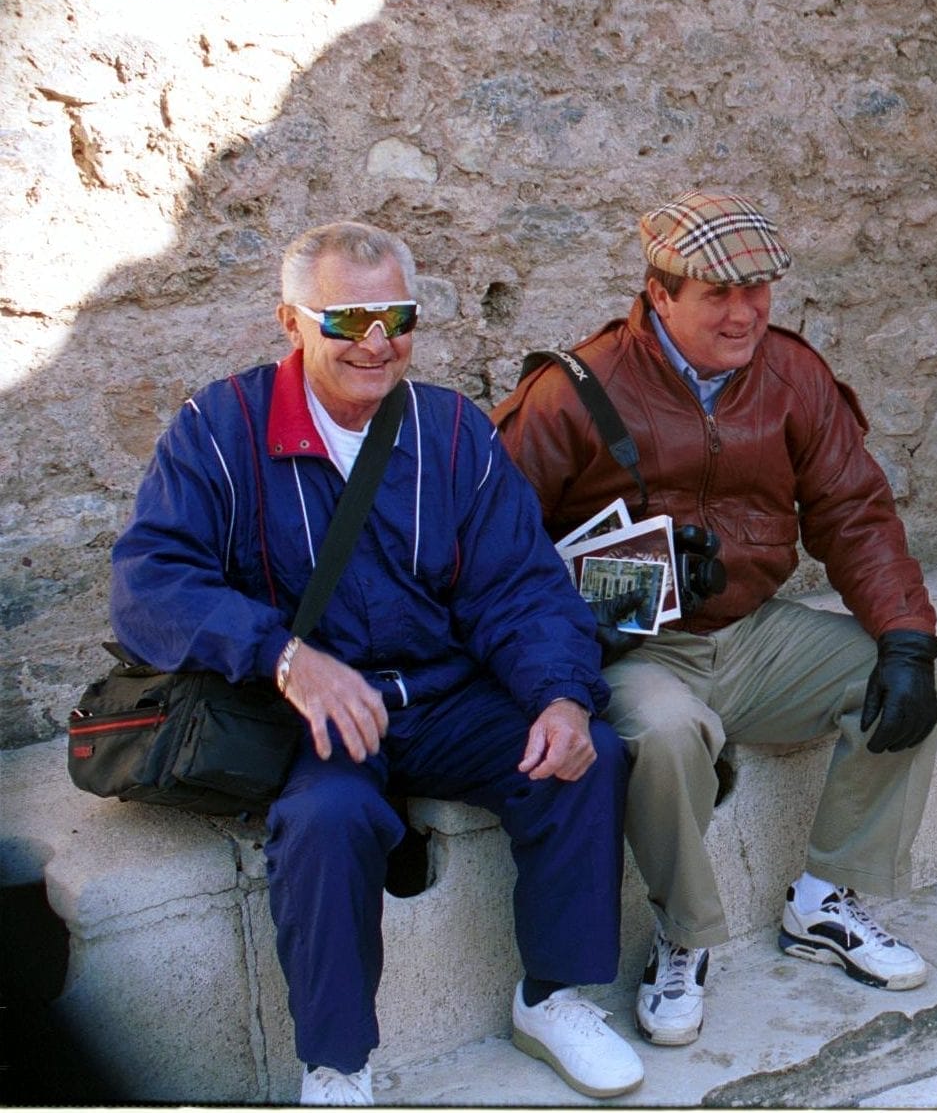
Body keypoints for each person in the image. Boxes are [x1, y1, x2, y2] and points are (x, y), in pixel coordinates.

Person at [109, 222, 645, 1106]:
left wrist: (560, 694)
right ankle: (337, 1063)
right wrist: (281, 656)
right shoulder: (220, 429)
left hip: (438, 695)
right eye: (346, 318)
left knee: (585, 757)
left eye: (395, 316)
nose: (375, 341)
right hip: (316, 712)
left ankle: (553, 998)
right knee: (326, 822)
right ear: (291, 322)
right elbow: (150, 582)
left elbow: (520, 585)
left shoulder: (451, 431)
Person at [492, 190, 937, 1050]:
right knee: (663, 734)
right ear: (661, 294)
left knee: (919, 670)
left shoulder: (792, 375)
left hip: (754, 633)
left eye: (759, 290)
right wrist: (632, 582)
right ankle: (685, 938)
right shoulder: (569, 393)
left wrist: (905, 633)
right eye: (718, 295)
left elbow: (854, 510)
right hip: (634, 653)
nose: (745, 314)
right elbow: (495, 562)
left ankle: (826, 901)